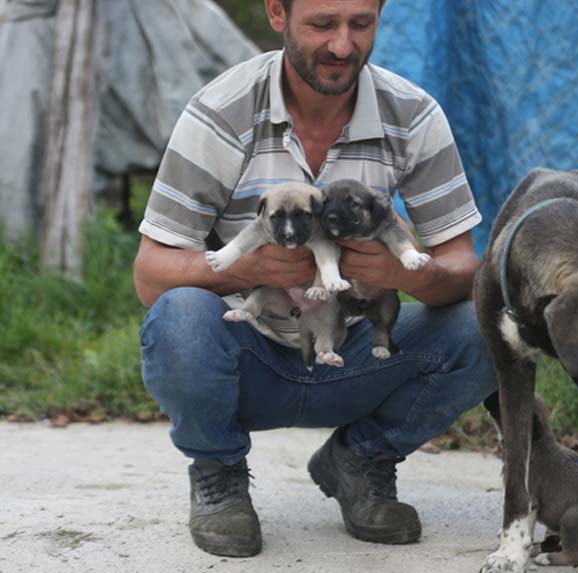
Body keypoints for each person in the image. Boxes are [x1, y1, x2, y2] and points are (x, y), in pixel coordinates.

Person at [133, 0, 496, 558]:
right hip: (245, 356)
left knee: (490, 323)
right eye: (323, 24)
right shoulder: (220, 111)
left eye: (361, 24)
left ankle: (363, 460)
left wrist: (404, 275)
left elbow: (463, 268)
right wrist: (249, 268)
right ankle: (219, 475)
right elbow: (149, 275)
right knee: (179, 315)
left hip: (357, 354)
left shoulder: (413, 114)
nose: (344, 46)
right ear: (277, 13)